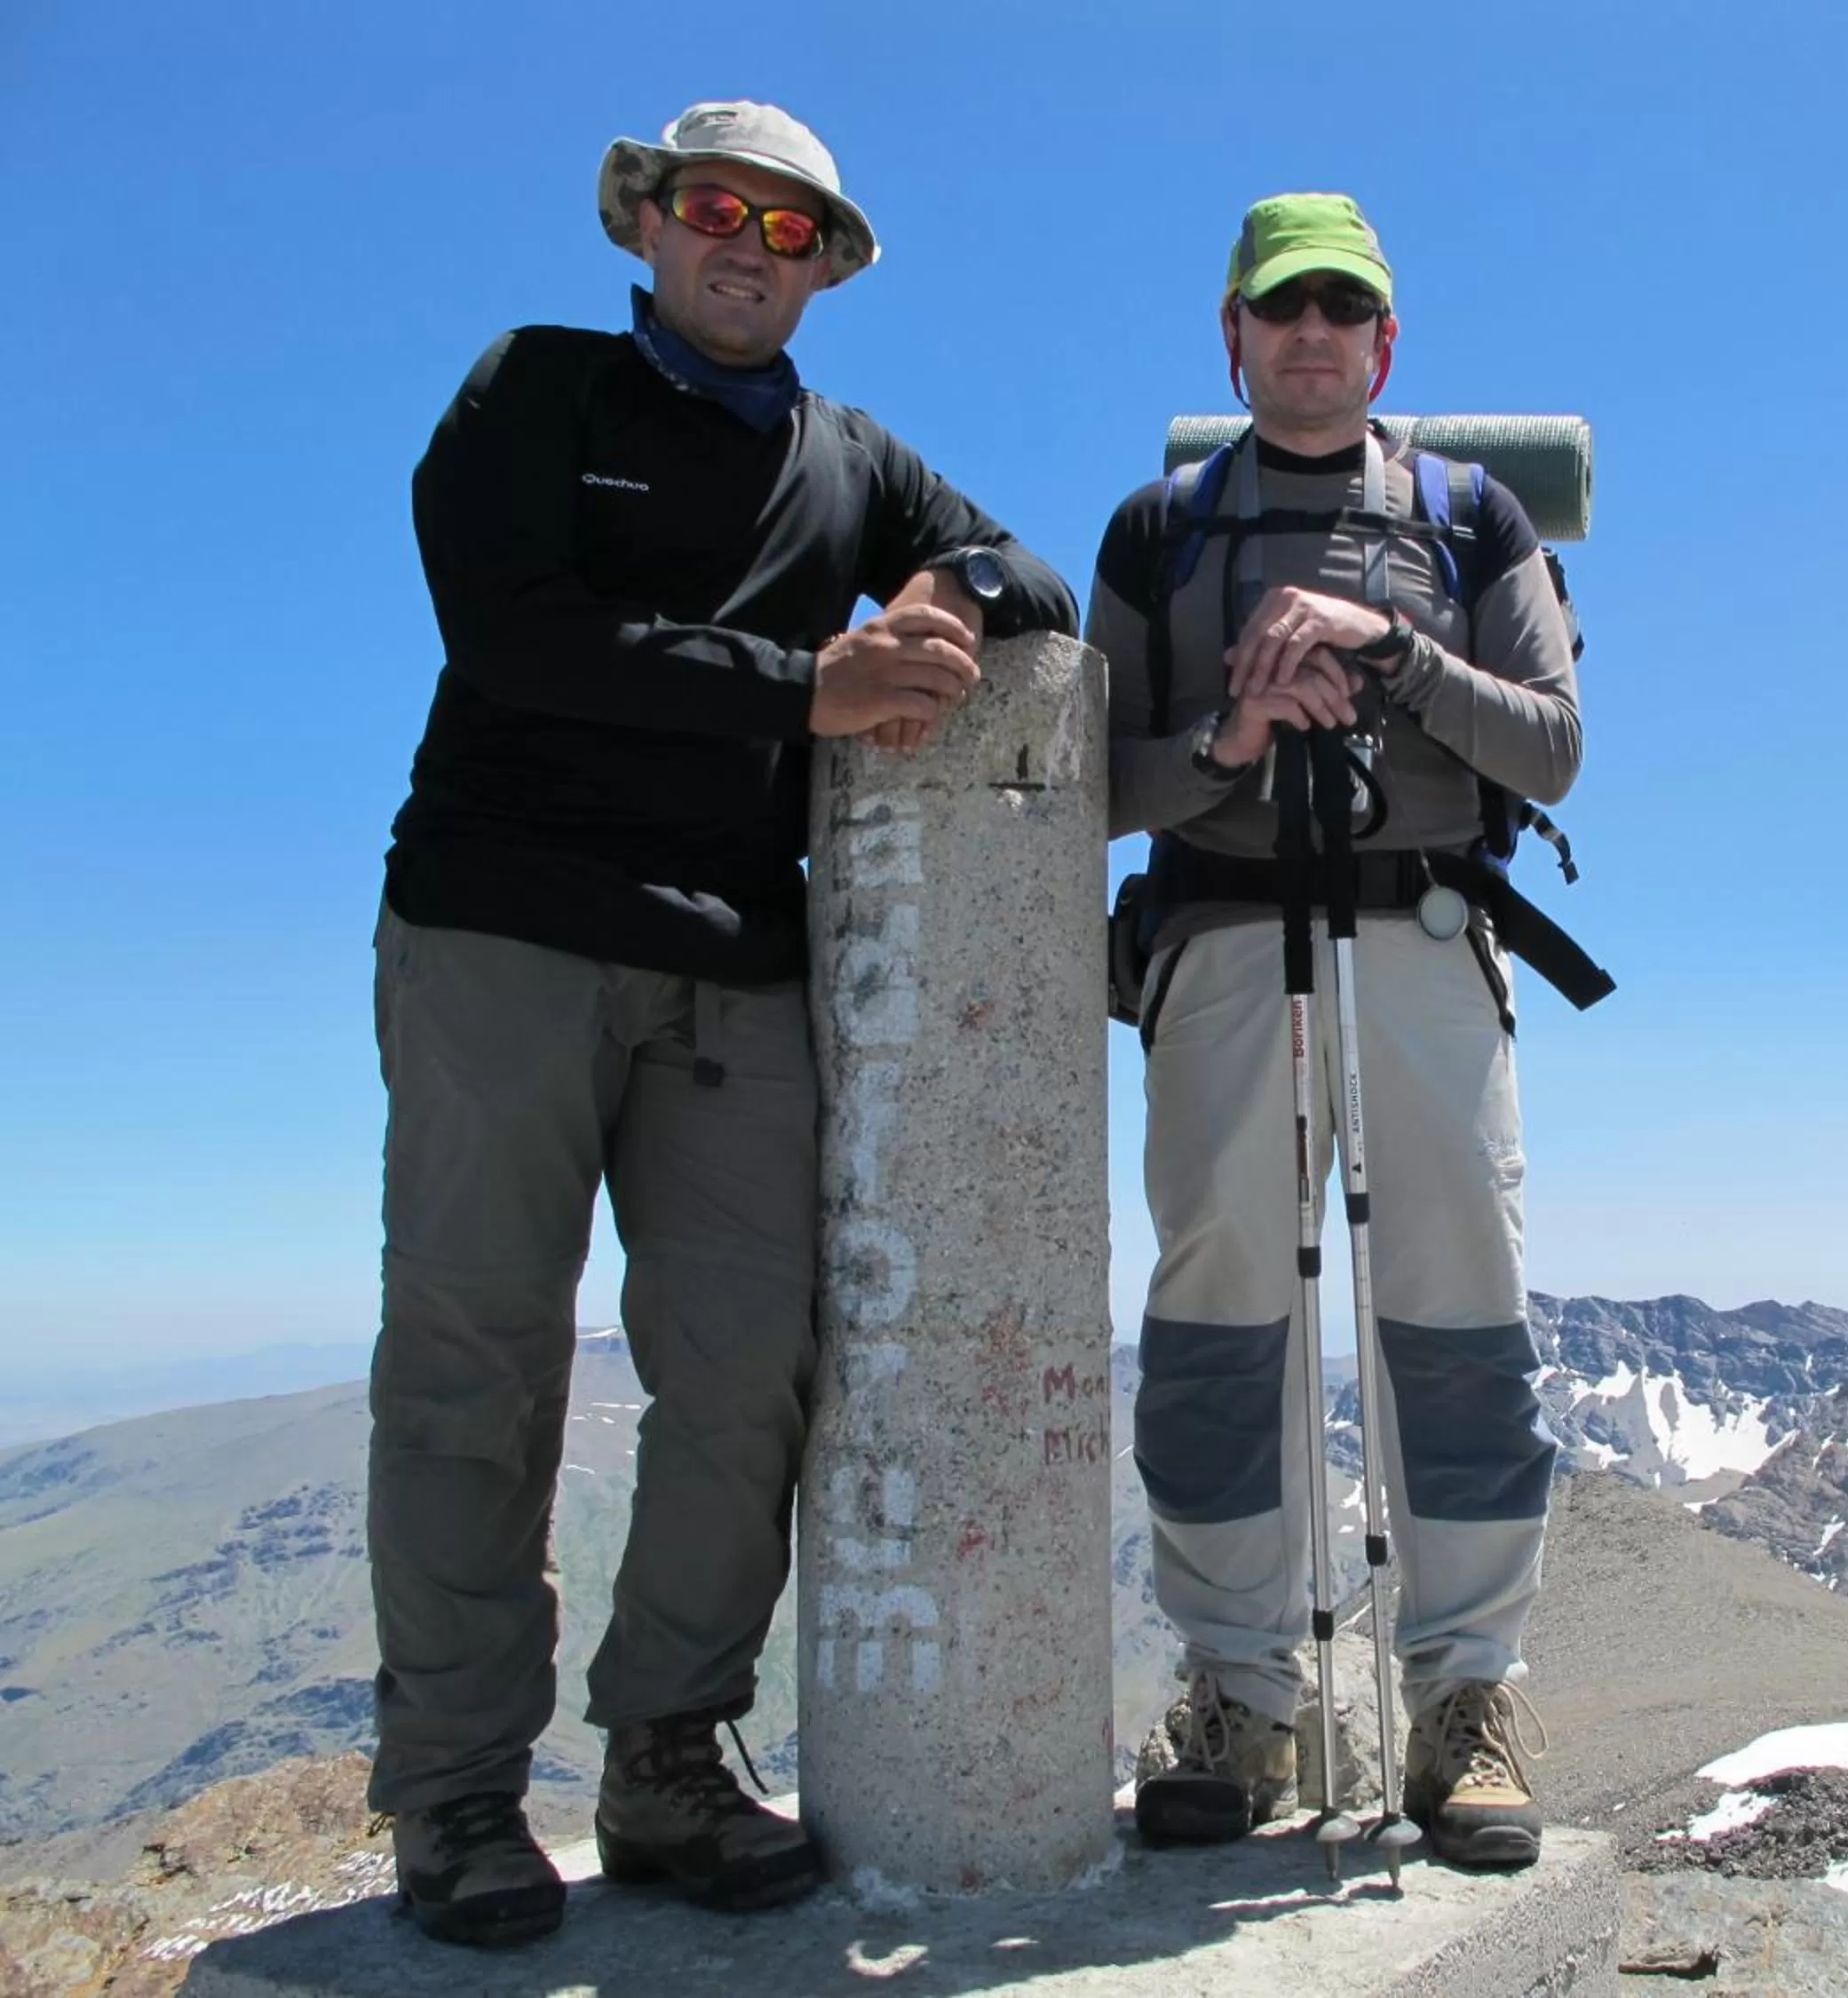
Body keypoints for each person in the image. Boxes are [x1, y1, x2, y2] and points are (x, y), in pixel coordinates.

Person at [369, 99, 1076, 1946]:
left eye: (786, 227)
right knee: (479, 1360)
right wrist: (814, 682)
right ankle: (454, 1797)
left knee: (751, 1363)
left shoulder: (847, 459)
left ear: (822, 265)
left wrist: (939, 590)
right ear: (650, 226)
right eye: (713, 210)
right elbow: (513, 633)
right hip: (499, 927)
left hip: (734, 962)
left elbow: (1029, 566)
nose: (745, 245)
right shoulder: (537, 389)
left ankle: (665, 1752)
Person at [1089, 194, 1579, 1869]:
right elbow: (1096, 785)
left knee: (1455, 1312)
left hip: (1429, 933)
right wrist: (1230, 733)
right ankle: (1241, 1685)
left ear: (1388, 343)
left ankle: (1466, 1699)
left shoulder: (1472, 518)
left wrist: (1395, 655)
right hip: (1223, 940)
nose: (1311, 334)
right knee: (1222, 1314)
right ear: (1230, 335)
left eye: (1342, 309)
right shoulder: (1156, 534)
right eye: (1279, 307)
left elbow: (1554, 747)